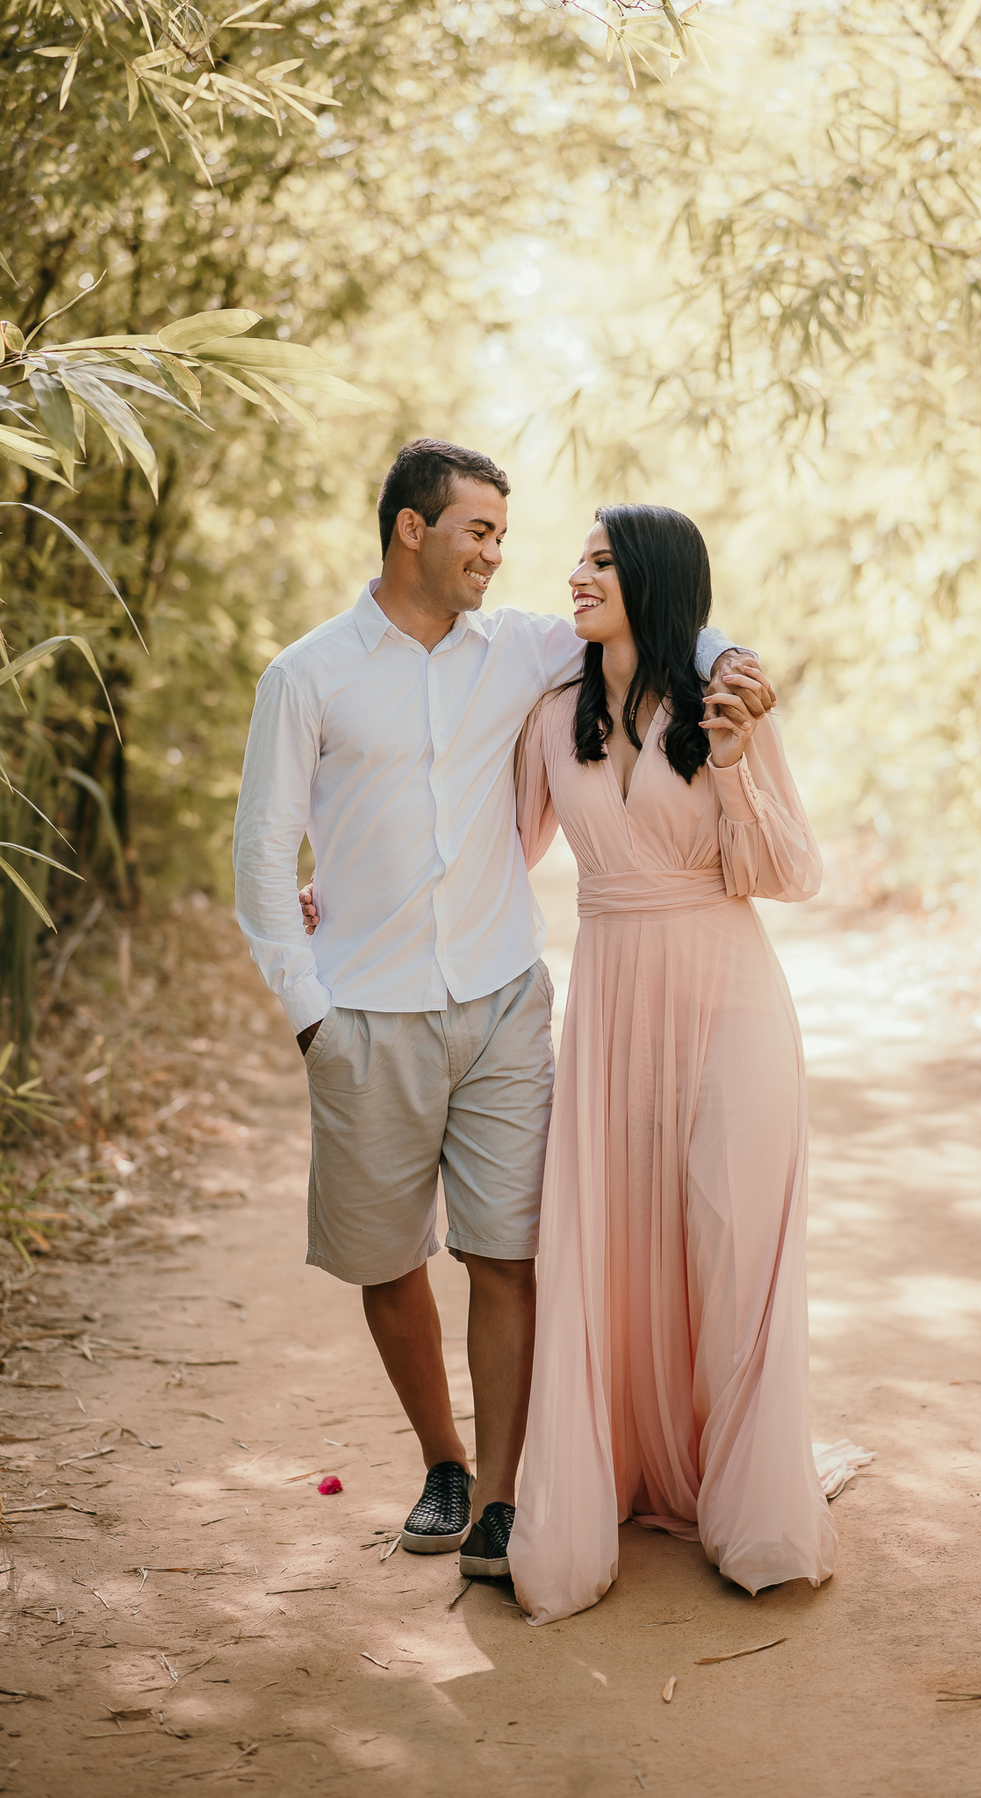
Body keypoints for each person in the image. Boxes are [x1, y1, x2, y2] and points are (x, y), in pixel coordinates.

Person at [232, 439, 760, 1580]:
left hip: (505, 1000)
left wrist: (734, 656)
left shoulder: (519, 650)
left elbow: (665, 622)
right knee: (387, 1261)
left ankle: (510, 1496)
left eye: (503, 538)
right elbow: (265, 853)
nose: (497, 555)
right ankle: (445, 1462)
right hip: (364, 1012)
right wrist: (308, 1009)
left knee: (509, 1253)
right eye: (479, 531)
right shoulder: (307, 675)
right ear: (413, 528)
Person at [504, 504, 871, 1624]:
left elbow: (788, 870)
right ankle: (603, 1484)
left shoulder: (724, 704)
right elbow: (497, 856)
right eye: (576, 556)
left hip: (728, 993)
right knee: (608, 1236)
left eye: (602, 559)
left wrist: (736, 760)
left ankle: (756, 1509)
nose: (575, 573)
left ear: (657, 577)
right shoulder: (553, 711)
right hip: (611, 999)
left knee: (731, 1225)